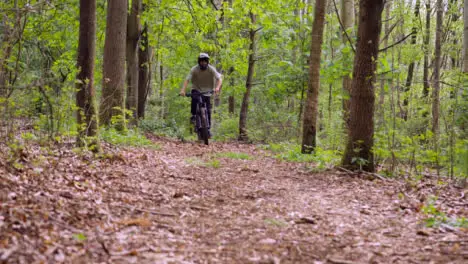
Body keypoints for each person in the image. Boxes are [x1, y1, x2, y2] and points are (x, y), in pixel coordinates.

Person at [180, 53, 222, 137]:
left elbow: (219, 79)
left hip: (208, 91)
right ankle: (194, 116)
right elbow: (187, 80)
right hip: (196, 89)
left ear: (207, 62)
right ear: (199, 62)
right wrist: (183, 90)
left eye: (205, 61)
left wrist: (217, 87)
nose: (203, 63)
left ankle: (208, 129)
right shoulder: (194, 69)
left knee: (208, 110)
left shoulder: (211, 69)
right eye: (202, 62)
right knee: (195, 100)